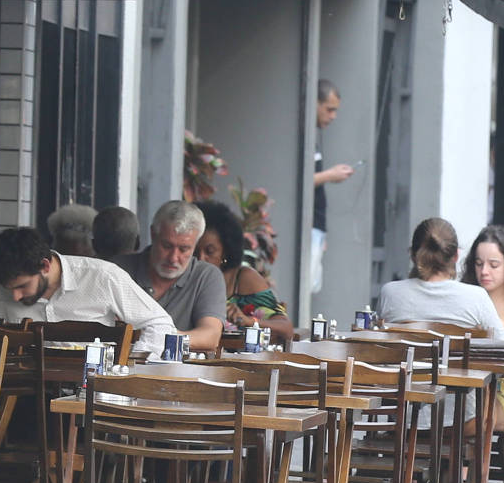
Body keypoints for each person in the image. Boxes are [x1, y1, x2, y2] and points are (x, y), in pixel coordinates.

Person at [0, 225, 175, 356]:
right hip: (24, 396)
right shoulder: (3, 288)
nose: (15, 297)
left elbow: (160, 324)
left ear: (44, 266)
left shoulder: (103, 277)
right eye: (9, 289)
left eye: (22, 286)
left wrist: (128, 364)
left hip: (93, 392)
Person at [117, 201, 226, 352]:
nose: (173, 258)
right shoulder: (118, 271)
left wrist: (163, 338)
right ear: (153, 235)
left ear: (196, 244)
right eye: (167, 246)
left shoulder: (207, 276)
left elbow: (210, 335)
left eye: (184, 249)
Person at [376, 218, 504, 335]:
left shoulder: (390, 293)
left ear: (412, 255)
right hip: (456, 364)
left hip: (403, 363)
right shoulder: (476, 297)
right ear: (456, 256)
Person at [204, 200, 291, 344]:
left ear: (225, 252)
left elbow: (286, 329)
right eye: (194, 251)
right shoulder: (183, 278)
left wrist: (249, 321)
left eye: (210, 252)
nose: (201, 258)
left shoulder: (243, 279)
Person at [311, 80, 354, 297]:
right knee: (308, 282)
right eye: (329, 109)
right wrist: (330, 175)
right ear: (314, 103)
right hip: (309, 227)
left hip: (316, 227)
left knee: (313, 284)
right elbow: (301, 181)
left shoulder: (314, 138)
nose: (333, 116)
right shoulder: (305, 136)